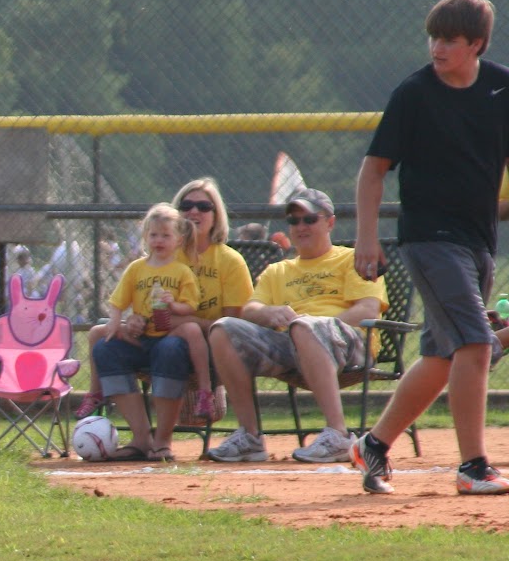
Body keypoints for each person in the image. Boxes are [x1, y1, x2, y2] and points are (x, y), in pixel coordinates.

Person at [351, 0, 509, 495]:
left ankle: (373, 443)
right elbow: (373, 171)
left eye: (449, 39)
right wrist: (367, 238)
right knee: (475, 343)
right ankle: (473, 467)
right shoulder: (414, 93)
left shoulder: (502, 88)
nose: (437, 47)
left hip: (478, 239)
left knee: (443, 357)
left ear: (477, 44)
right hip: (429, 239)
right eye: (433, 37)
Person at [206, 188, 387, 463]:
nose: (301, 226)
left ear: (330, 222)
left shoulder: (352, 259)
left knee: (304, 327)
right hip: (292, 345)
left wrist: (315, 328)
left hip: (350, 343)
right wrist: (270, 312)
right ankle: (250, 437)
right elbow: (250, 310)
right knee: (223, 330)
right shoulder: (277, 271)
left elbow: (367, 309)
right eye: (294, 220)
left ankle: (339, 436)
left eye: (310, 219)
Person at [77, 178, 251, 419]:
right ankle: (131, 426)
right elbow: (143, 300)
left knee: (172, 345)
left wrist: (188, 322)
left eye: (203, 206)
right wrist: (135, 319)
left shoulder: (230, 261)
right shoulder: (164, 253)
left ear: (216, 215)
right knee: (102, 340)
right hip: (153, 338)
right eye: (186, 205)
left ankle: (170, 427)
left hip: (203, 347)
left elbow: (233, 328)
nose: (194, 211)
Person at [86, 203, 203, 462]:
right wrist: (120, 322)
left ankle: (162, 441)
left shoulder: (182, 270)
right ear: (145, 237)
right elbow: (118, 301)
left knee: (170, 350)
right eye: (153, 235)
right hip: (140, 340)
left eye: (165, 235)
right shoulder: (137, 268)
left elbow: (190, 308)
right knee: (105, 348)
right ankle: (141, 439)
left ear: (178, 239)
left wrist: (172, 307)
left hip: (170, 340)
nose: (158, 240)